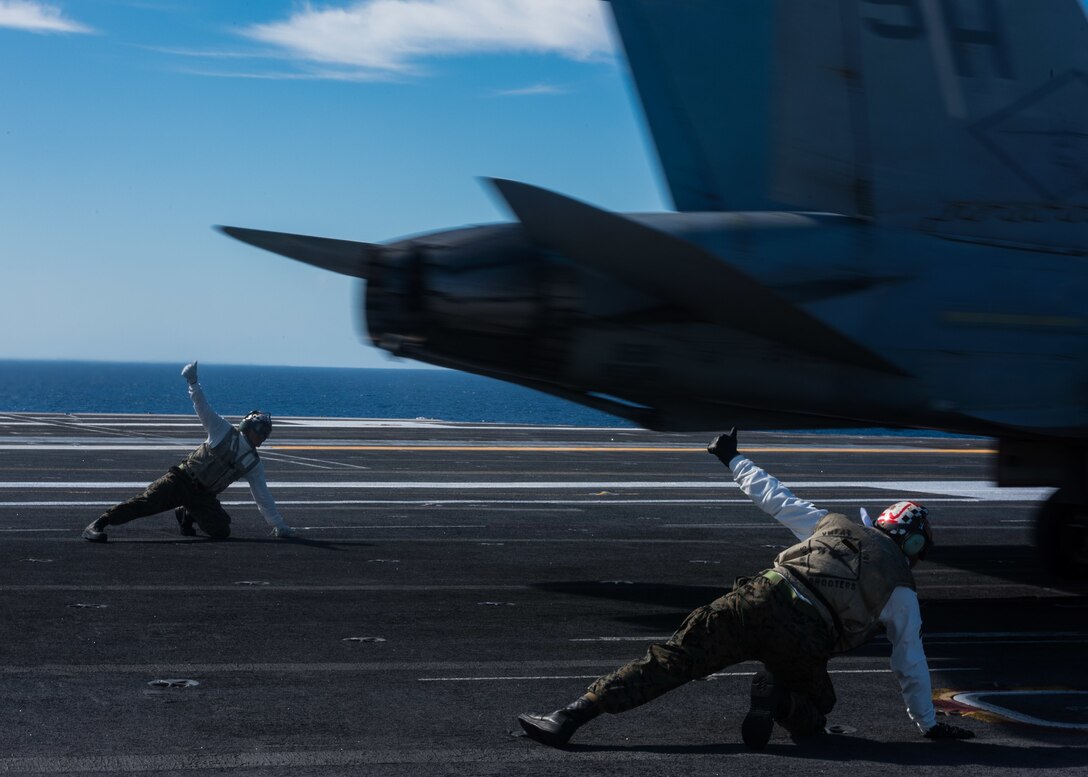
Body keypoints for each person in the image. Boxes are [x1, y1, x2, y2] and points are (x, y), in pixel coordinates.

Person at [517, 428, 974, 748]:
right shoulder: (902, 589)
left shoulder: (833, 526)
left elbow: (777, 499)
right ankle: (780, 698)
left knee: (671, 661)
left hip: (757, 599)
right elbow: (909, 662)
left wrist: (732, 458)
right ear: (914, 545)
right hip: (805, 639)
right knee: (819, 704)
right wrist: (928, 725)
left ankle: (569, 716)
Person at [82, 362, 296, 542]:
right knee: (145, 503)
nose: (262, 436)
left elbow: (262, 497)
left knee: (222, 530)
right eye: (260, 431)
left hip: (203, 495)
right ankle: (99, 523)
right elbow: (203, 407)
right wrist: (193, 383)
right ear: (248, 427)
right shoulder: (223, 430)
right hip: (181, 479)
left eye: (265, 433)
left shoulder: (253, 463)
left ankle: (186, 513)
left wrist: (279, 525)